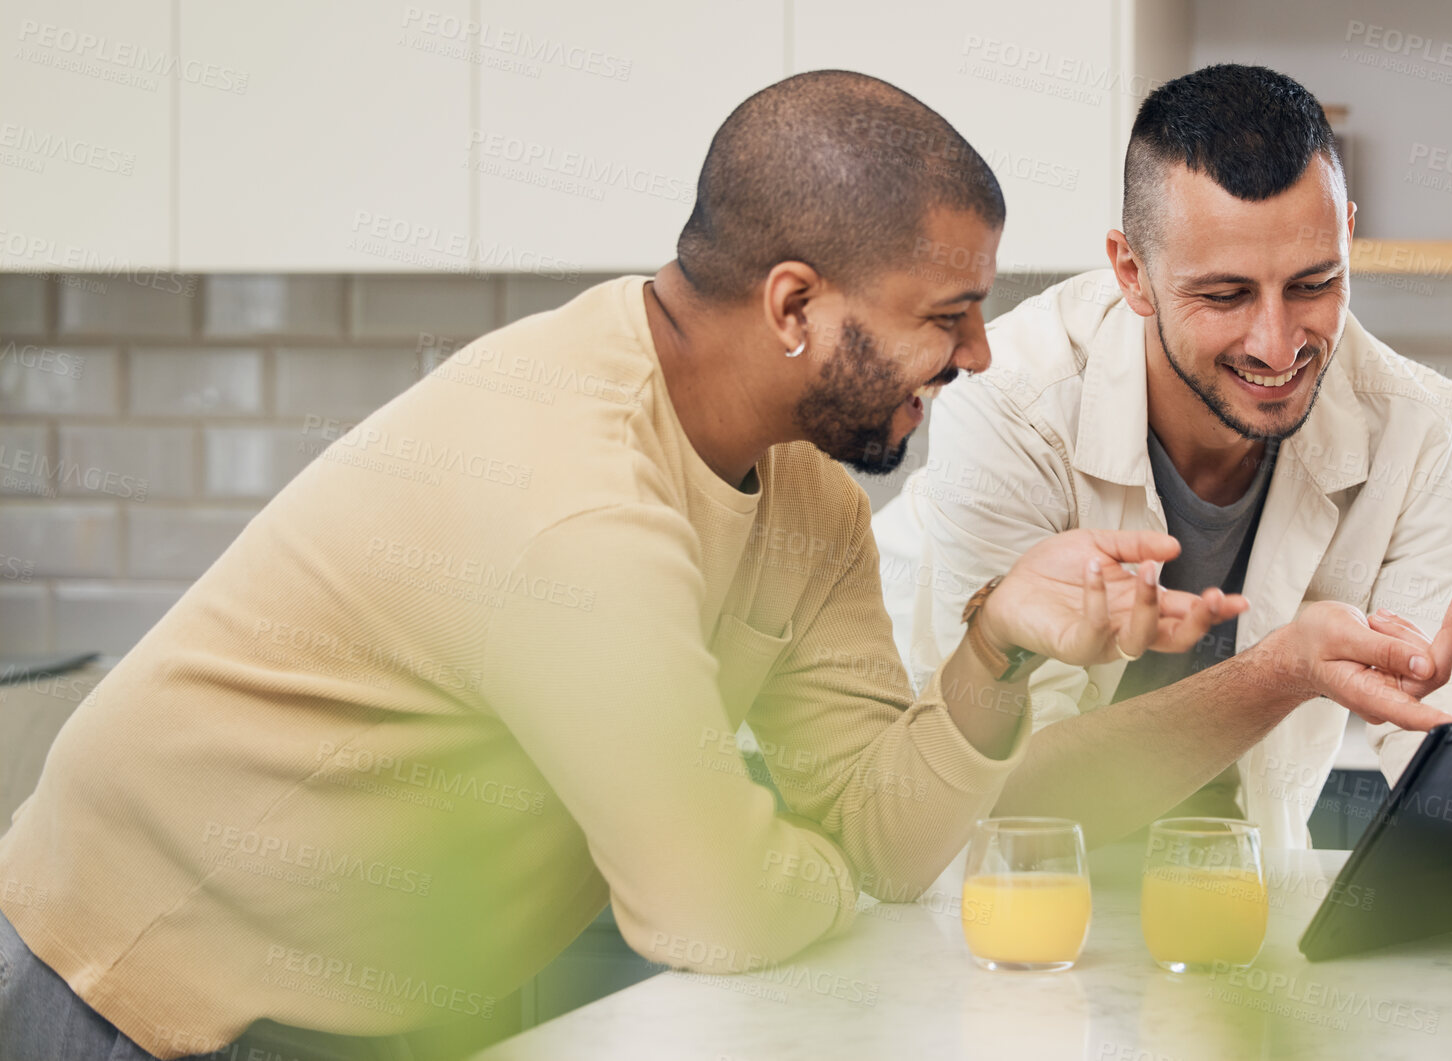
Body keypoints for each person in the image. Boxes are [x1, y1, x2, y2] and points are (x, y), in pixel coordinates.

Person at [0, 71, 1263, 1061]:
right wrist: (787, 863)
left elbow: (881, 837)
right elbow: (709, 911)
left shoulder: (804, 482)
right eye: (946, 314)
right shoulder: (573, 492)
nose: (980, 355)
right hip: (150, 986)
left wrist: (995, 647)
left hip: (386, 988)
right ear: (790, 308)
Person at [878, 64, 1452, 928]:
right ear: (1131, 272)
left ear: (1348, 236)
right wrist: (1283, 672)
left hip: (1222, 897)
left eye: (1314, 283)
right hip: (985, 897)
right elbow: (1011, 802)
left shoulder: (1407, 421)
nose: (1277, 344)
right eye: (1225, 295)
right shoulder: (1009, 401)